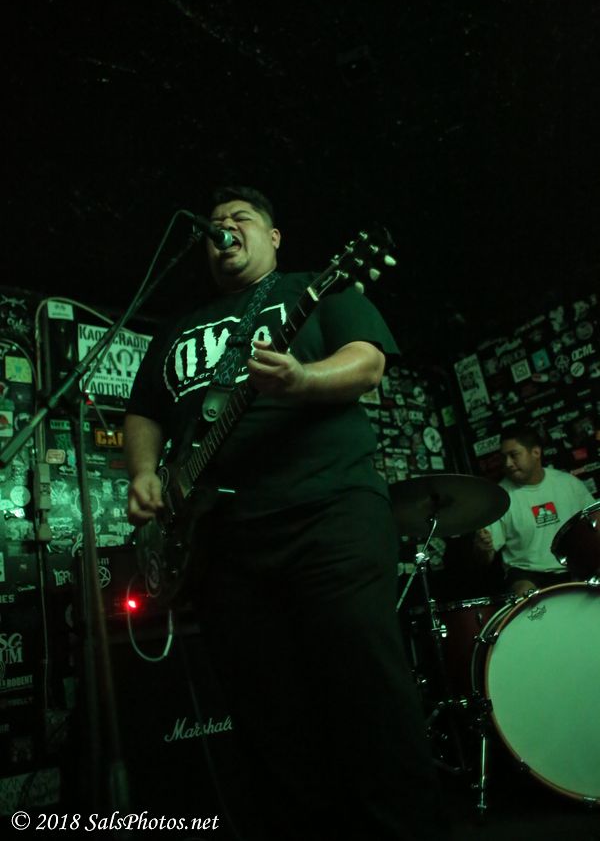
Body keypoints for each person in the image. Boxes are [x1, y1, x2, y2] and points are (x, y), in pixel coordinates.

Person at [123, 186, 445, 841]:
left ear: (273, 237)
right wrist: (144, 473)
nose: (223, 228)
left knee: (367, 693)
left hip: (328, 513)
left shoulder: (320, 287)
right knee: (268, 716)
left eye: (240, 219)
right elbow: (144, 411)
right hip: (220, 545)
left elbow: (367, 364)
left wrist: (302, 380)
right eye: (214, 223)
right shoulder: (175, 330)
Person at [474, 424, 595, 596]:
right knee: (524, 592)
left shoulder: (568, 484)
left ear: (536, 453)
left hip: (575, 568)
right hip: (527, 574)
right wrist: (482, 549)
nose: (508, 463)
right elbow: (485, 559)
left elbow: (595, 523)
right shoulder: (499, 498)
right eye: (504, 457)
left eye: (514, 455)